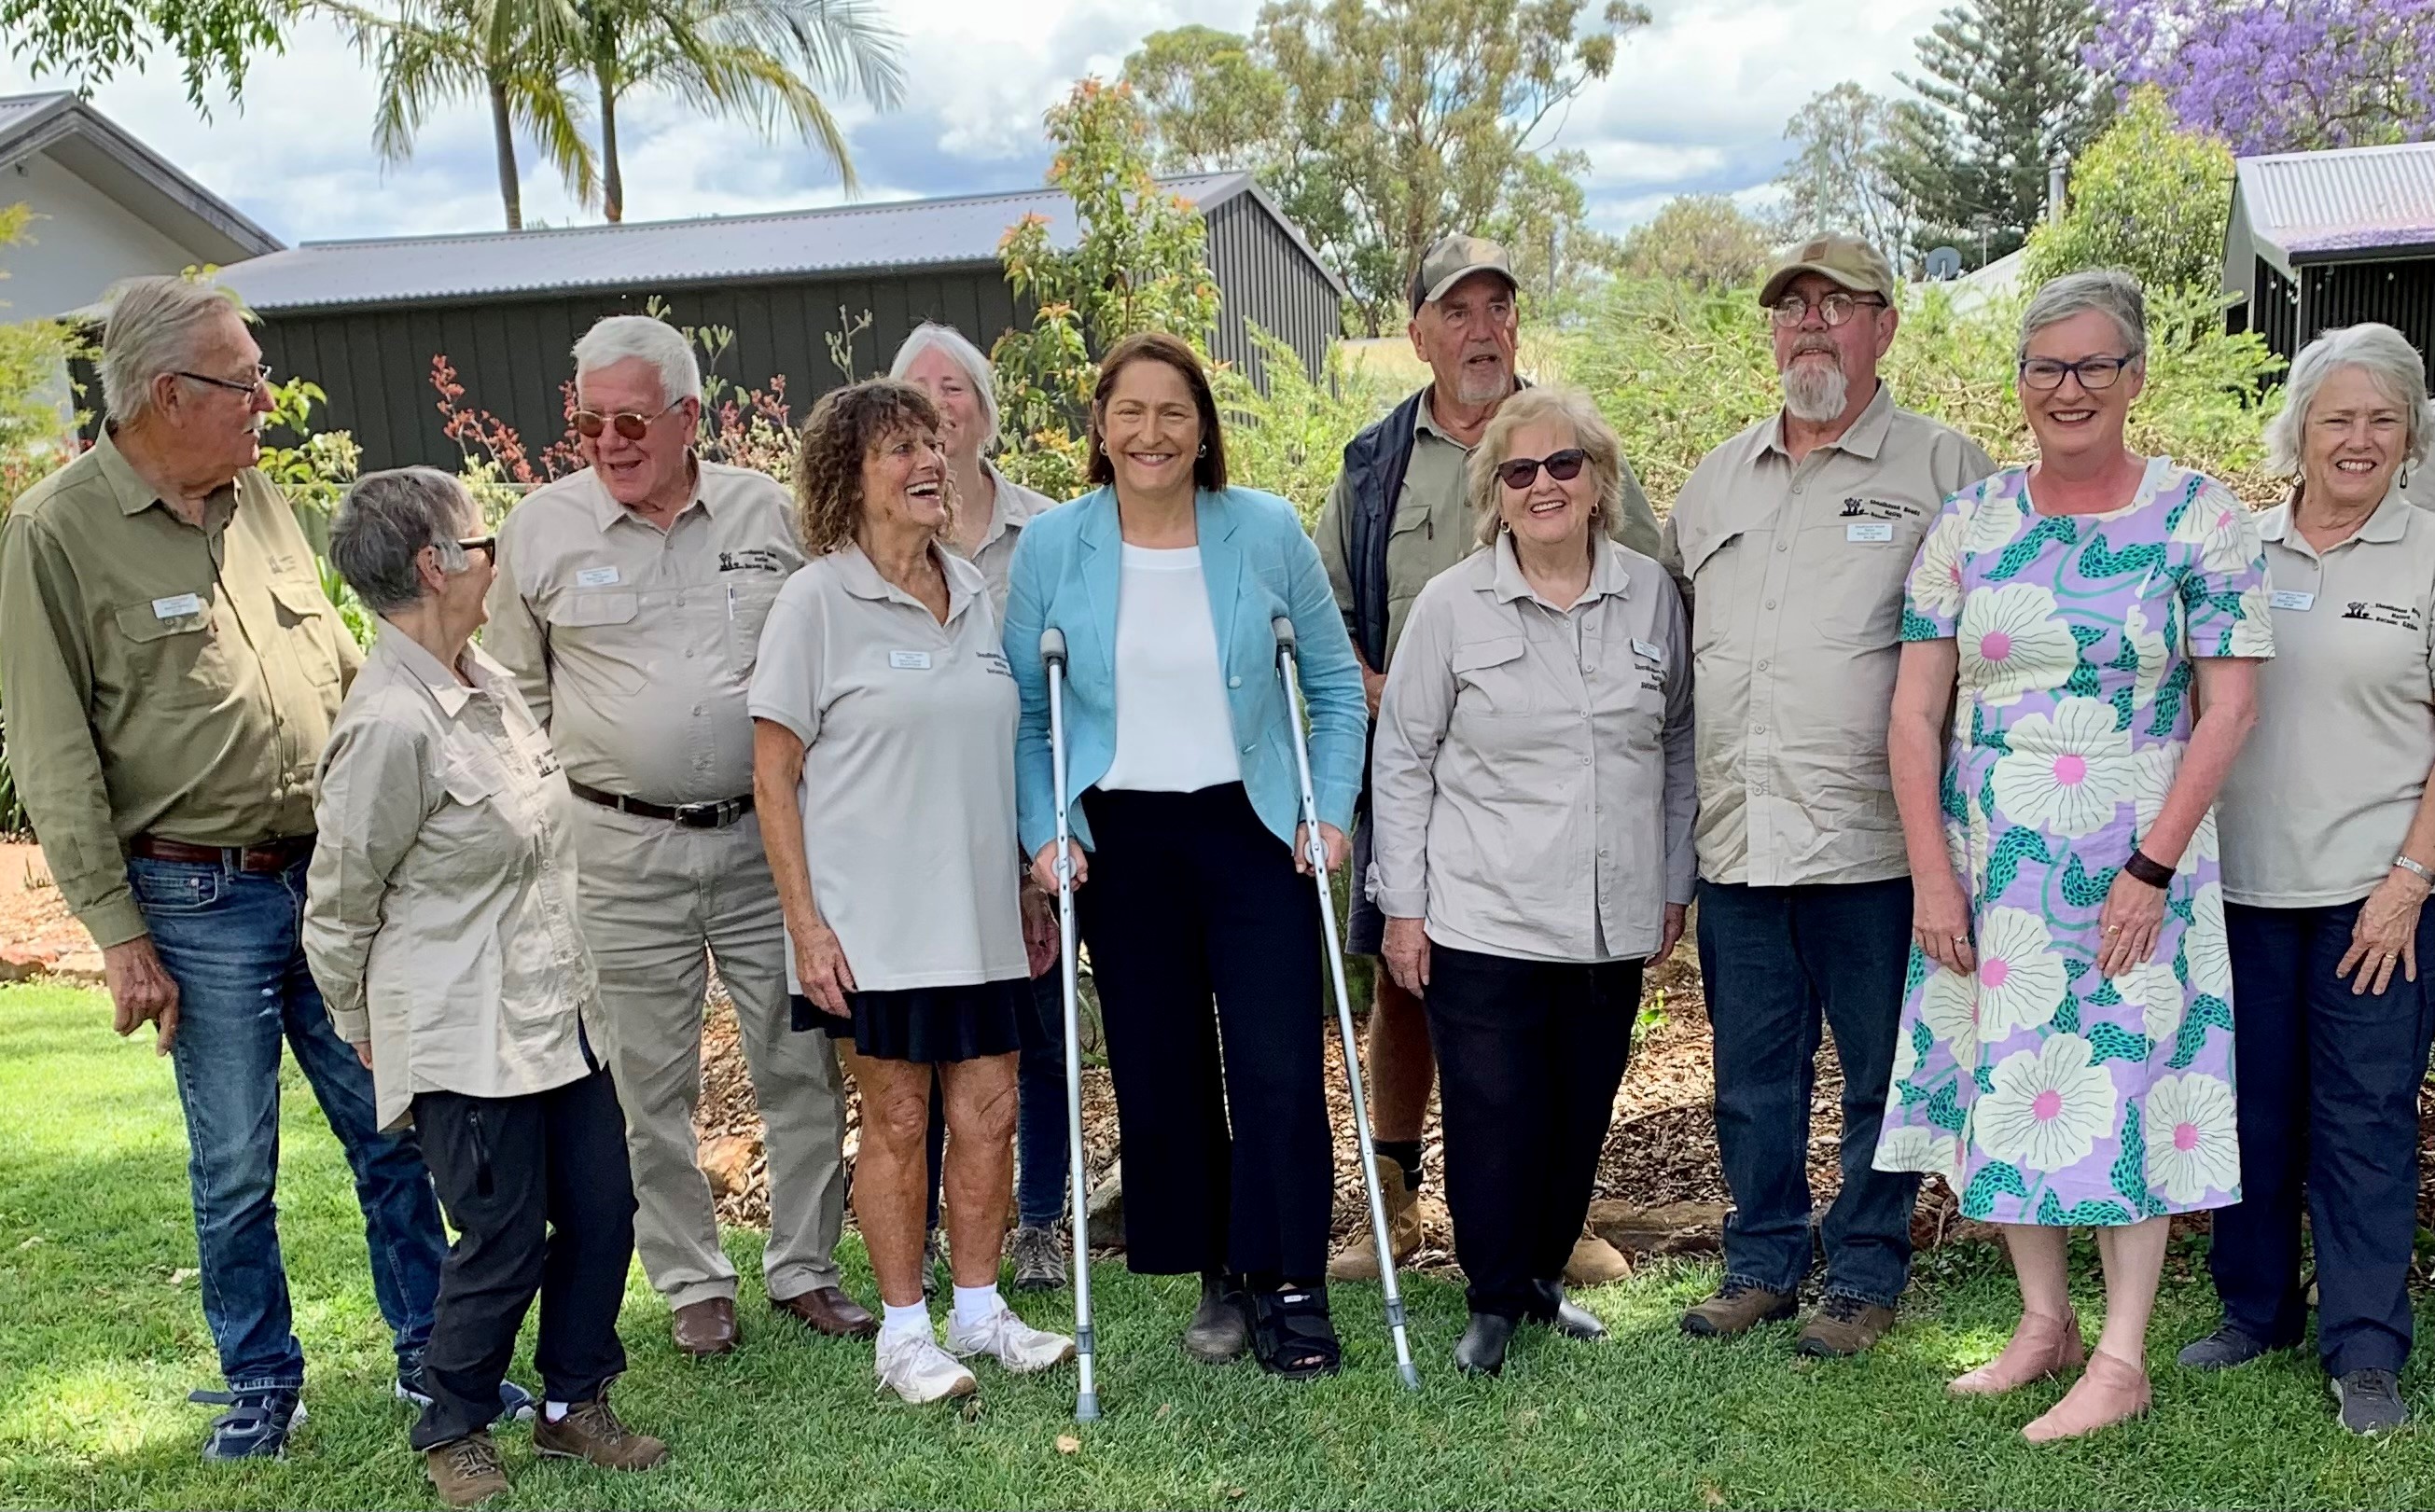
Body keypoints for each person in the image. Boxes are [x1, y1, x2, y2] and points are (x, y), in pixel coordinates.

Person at [0, 276, 449, 1460]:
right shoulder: (53, 533)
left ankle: (436, 1356)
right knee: (237, 1160)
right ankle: (260, 1379)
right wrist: (118, 934)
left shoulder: (260, 502)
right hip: (196, 897)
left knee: (391, 1127)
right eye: (245, 382)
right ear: (167, 394)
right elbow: (52, 751)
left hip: (328, 881)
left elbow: (342, 668)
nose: (266, 401)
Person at [1874, 269, 2269, 1441]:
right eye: (2047, 367)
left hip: (2139, 863)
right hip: (1994, 865)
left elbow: (2230, 709)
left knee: (2128, 1084)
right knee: (2009, 1079)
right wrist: (1933, 873)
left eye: (2096, 364)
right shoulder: (1971, 523)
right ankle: (2043, 1322)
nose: (2071, 387)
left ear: (2135, 376)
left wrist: (2151, 868)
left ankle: (2123, 1354)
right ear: (2021, 383)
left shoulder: (2200, 516)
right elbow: (1913, 715)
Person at [486, 314, 872, 1356]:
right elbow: (513, 700)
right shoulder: (540, 530)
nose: (607, 442)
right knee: (647, 1081)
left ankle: (804, 1264)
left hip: (763, 842)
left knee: (799, 1061)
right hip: (617, 849)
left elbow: (831, 651)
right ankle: (694, 1279)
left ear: (688, 415)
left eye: (630, 421)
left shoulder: (766, 512)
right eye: (589, 423)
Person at [1659, 235, 1997, 1356]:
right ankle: (1761, 1261)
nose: (1811, 323)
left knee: (1880, 1078)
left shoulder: (1946, 470)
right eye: (1792, 306)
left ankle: (1862, 1273)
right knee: (1752, 1077)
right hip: (1741, 840)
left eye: (1837, 303)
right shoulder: (1715, 480)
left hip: (1877, 846)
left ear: (1884, 326)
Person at [1003, 332, 1367, 1377]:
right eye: (1131, 411)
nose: (1151, 432)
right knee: (1163, 1068)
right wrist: (1047, 831)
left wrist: (1328, 809)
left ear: (1203, 428)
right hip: (1123, 840)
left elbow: (1335, 690)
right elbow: (1029, 717)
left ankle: (1291, 1282)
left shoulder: (1265, 529)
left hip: (1256, 828)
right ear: (1100, 426)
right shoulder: (1054, 545)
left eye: (1173, 412)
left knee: (1277, 1060)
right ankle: (1219, 1272)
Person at [304, 468, 666, 1505]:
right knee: (503, 1238)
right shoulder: (389, 724)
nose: (495, 556)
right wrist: (360, 1024)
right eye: (483, 540)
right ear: (436, 565)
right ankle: (454, 1424)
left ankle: (574, 1404)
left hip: (558, 1011)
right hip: (464, 1029)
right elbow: (338, 903)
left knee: (604, 1209)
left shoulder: (487, 679)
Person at [1320, 233, 1662, 1286]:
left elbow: (1653, 590)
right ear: (1418, 332)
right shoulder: (1374, 466)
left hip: (1559, 788)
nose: (1480, 330)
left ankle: (1555, 1220)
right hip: (1414, 765)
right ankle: (1396, 1199)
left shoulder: (1571, 441)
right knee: (1407, 982)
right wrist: (1383, 692)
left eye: (1497, 308)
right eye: (1456, 311)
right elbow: (1325, 619)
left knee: (1563, 1003)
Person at [750, 378, 1073, 1405]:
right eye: (900, 448)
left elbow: (1000, 753)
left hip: (980, 915)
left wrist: (1026, 885)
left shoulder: (974, 591)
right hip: (872, 924)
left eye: (933, 443)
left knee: (991, 1110)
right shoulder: (816, 601)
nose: (930, 461)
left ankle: (978, 1309)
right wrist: (806, 925)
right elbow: (773, 776)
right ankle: (903, 1332)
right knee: (896, 1119)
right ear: (850, 478)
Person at [1369, 386, 1694, 1375]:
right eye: (1520, 471)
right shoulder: (1451, 605)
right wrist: (1403, 908)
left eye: (1563, 464)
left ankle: (1545, 1280)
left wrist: (1673, 877)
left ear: (1599, 482)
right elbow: (1403, 757)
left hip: (1608, 912)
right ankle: (1493, 1297)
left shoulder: (1650, 594)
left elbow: (1679, 740)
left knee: (1580, 1109)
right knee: (1493, 1112)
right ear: (1496, 494)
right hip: (1484, 914)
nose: (1543, 484)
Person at [2193, 323, 2435, 1436]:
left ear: (2411, 433)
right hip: (2240, 889)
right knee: (2248, 1110)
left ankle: (2366, 1344)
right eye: (2338, 417)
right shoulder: (2237, 548)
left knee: (2363, 1119)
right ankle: (2254, 1310)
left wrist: (2411, 877)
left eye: (2384, 418)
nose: (2359, 439)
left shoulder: (2427, 551)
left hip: (2372, 898)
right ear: (2300, 428)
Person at [888, 322, 1072, 1294]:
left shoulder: (1045, 530)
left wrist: (1041, 846)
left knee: (1039, 1028)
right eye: (916, 391)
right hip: (921, 823)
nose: (936, 406)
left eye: (953, 387)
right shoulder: (876, 538)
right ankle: (918, 1227)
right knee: (926, 1037)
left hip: (1029, 808)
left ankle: (1038, 1220)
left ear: (984, 409)